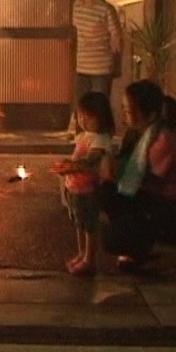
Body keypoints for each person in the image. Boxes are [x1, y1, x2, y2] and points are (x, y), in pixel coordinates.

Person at [99, 80, 176, 282]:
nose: (124, 115)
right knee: (108, 193)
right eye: (123, 109)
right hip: (164, 204)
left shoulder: (163, 140)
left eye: (129, 110)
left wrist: (110, 172)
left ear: (150, 115)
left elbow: (145, 183)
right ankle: (136, 252)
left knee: (113, 237)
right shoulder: (141, 134)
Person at [51, 91, 116, 276]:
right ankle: (81, 254)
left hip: (88, 190)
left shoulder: (100, 140)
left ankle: (89, 260)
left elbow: (90, 160)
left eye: (89, 117)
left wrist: (71, 167)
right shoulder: (85, 136)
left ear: (102, 118)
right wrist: (67, 164)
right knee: (79, 223)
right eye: (81, 116)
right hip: (75, 188)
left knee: (89, 225)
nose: (83, 120)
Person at [70, 0, 123, 134]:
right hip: (82, 66)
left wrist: (116, 63)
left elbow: (116, 37)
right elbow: (77, 34)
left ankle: (102, 140)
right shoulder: (76, 7)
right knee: (80, 104)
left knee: (100, 107)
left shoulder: (106, 9)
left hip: (101, 67)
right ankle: (81, 141)